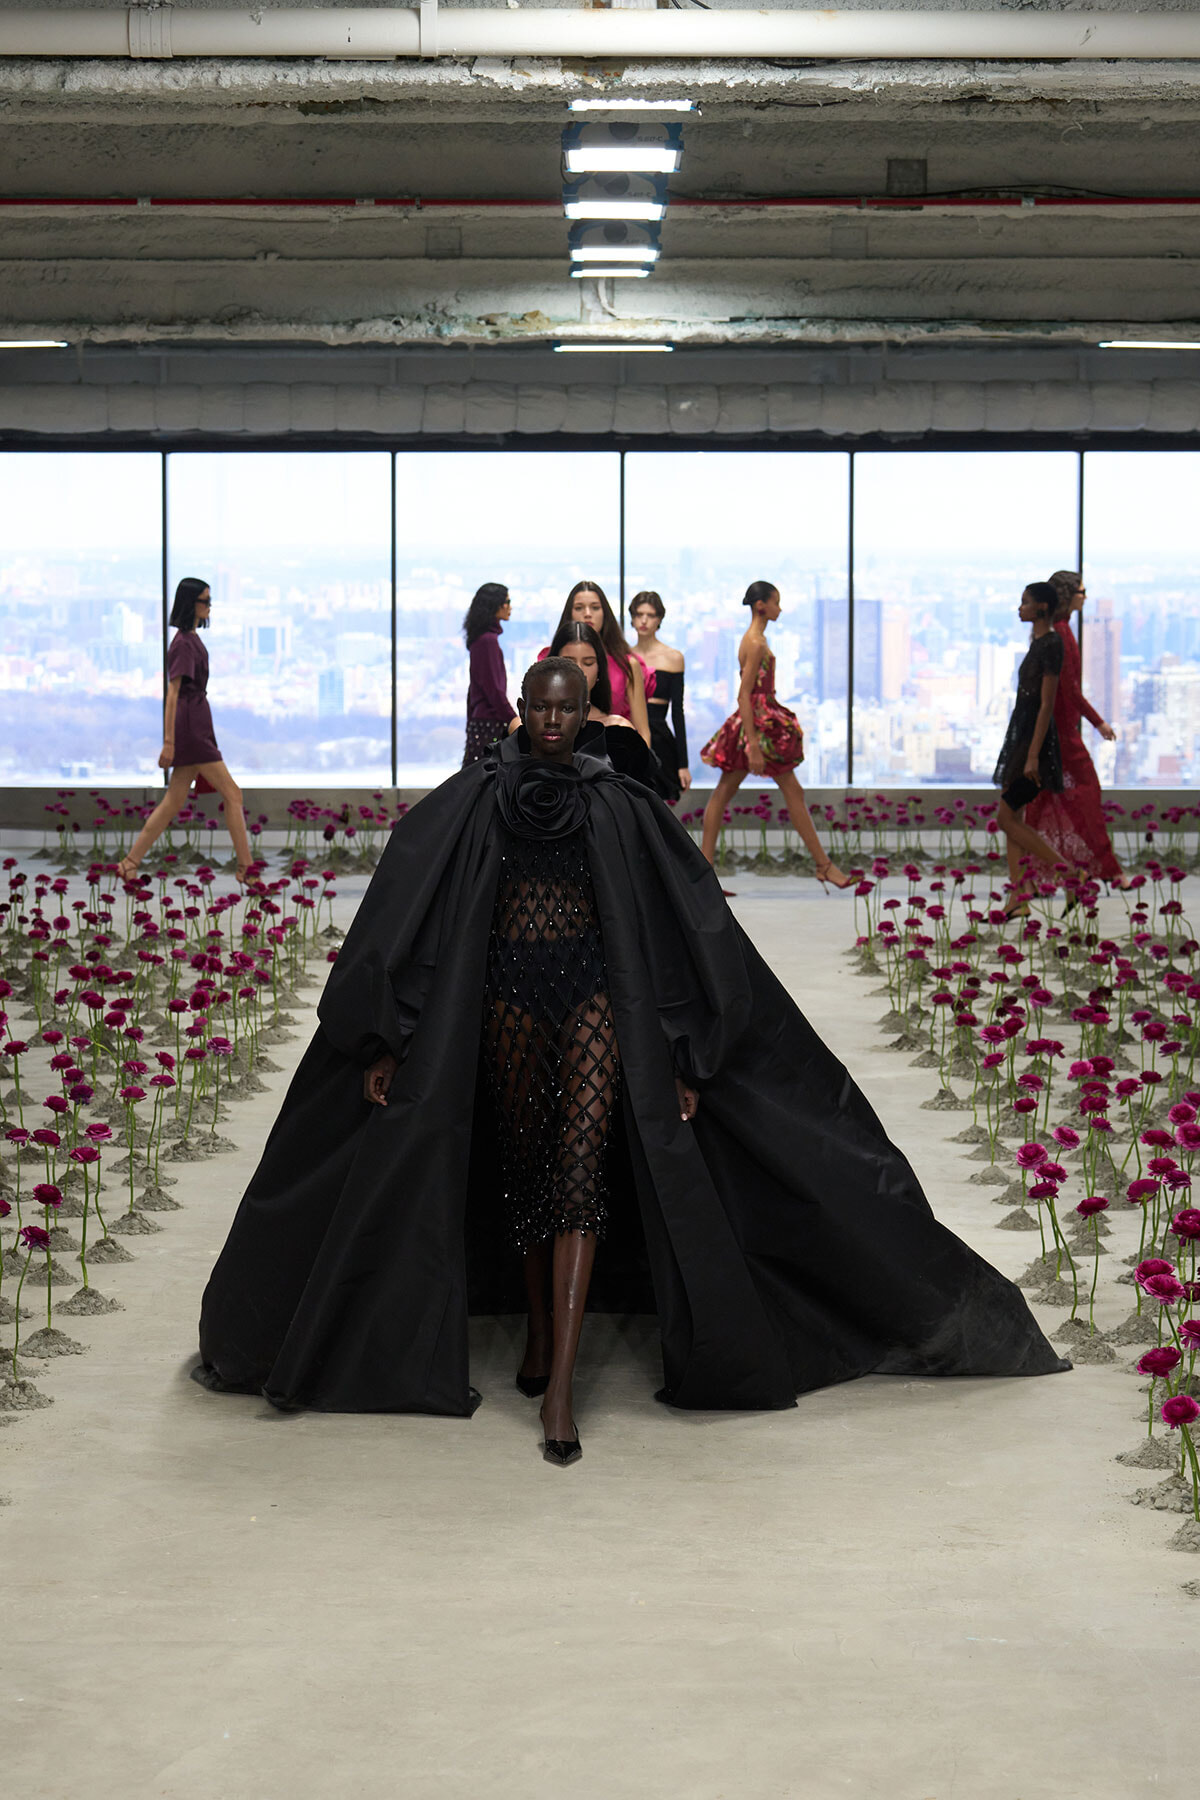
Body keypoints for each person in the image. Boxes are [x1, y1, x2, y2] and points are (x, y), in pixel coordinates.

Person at [195, 656, 1068, 1466]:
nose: (548, 718)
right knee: (526, 1169)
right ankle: (540, 1337)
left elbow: (679, 926)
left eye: (564, 707)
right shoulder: (472, 799)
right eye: (536, 705)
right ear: (520, 711)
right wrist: (385, 1039)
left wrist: (687, 1055)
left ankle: (562, 1391)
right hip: (503, 1000)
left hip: (593, 1003)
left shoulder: (619, 802)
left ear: (588, 716)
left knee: (576, 1173)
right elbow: (409, 917)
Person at [699, 580, 850, 889]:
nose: (779, 609)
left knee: (727, 793)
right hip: (757, 726)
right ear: (761, 606)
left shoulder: (757, 639)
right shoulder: (754, 642)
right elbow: (745, 694)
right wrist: (753, 744)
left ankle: (704, 877)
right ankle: (823, 866)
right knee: (745, 792)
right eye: (776, 603)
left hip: (760, 722)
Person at [117, 577, 253, 885]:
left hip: (197, 723)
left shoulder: (190, 639)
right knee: (232, 794)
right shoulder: (182, 644)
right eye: (205, 600)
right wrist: (169, 742)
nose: (209, 606)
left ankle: (129, 863)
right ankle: (247, 869)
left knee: (173, 801)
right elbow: (173, 694)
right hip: (192, 730)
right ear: (191, 603)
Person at [1024, 570, 1128, 886]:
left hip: (1052, 732)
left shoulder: (1056, 633)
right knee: (1085, 797)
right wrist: (1097, 722)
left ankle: (1034, 876)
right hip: (1062, 736)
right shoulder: (1062, 637)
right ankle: (1109, 871)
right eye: (1082, 591)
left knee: (1040, 801)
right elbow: (1068, 691)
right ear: (1068, 596)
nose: (1086, 596)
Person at [992, 581, 1067, 919]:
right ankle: (1018, 896)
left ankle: (1070, 875)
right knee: (1013, 817)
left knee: (1005, 816)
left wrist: (1034, 754)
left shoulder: (1051, 644)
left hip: (1032, 741)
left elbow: (1046, 705)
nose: (1018, 608)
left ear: (1041, 608)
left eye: (1024, 603)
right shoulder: (1038, 642)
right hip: (1021, 736)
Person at [542, 581, 652, 745]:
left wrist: (640, 763)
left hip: (616, 748)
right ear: (569, 613)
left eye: (595, 607)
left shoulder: (627, 664)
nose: (587, 614)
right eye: (579, 608)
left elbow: (642, 730)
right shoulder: (550, 659)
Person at [549, 621, 655, 784]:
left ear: (600, 669)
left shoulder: (619, 731)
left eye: (588, 662)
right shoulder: (527, 726)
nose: (579, 670)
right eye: (568, 661)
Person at [630, 590, 690, 803]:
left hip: (660, 738)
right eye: (639, 614)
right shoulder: (624, 656)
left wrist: (683, 764)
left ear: (660, 619)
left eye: (651, 615)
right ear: (632, 617)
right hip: (629, 735)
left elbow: (677, 714)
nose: (644, 620)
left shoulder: (673, 658)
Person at [462, 581, 519, 768]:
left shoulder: (481, 640)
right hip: (490, 724)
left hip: (481, 723)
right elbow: (493, 690)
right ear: (495, 605)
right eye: (507, 602)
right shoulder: (488, 642)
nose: (510, 607)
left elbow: (476, 691)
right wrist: (513, 719)